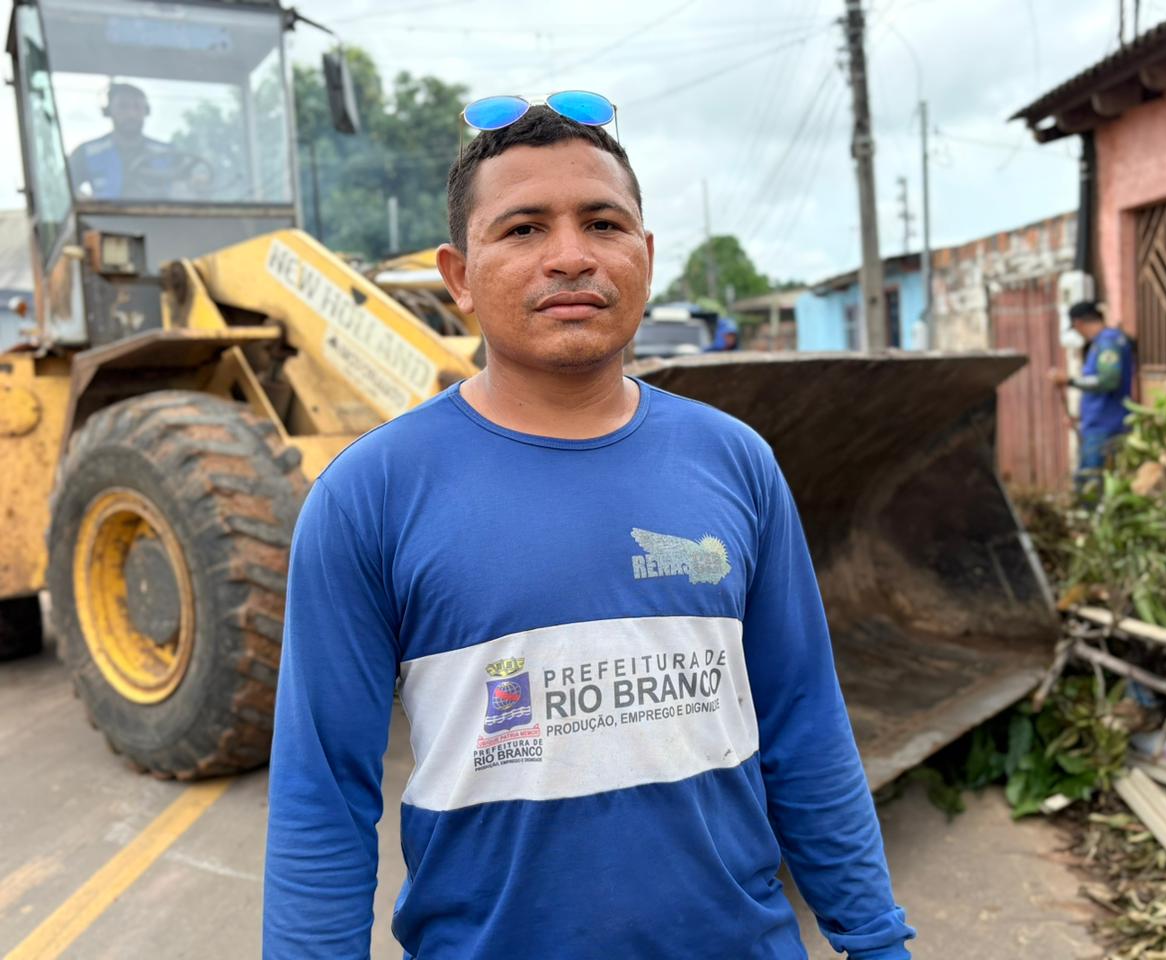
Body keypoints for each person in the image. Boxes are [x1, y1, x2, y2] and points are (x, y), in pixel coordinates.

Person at [264, 100, 914, 960]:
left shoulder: (738, 464)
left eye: (601, 223)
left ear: (643, 257)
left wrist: (876, 941)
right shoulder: (369, 495)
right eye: (524, 228)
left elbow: (806, 728)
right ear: (458, 275)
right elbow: (323, 794)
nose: (569, 257)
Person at [1048, 300, 1134, 492]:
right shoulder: (1102, 343)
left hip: (1106, 427)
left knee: (1090, 486)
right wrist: (1080, 417)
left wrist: (1070, 381)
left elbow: (1109, 381)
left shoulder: (1108, 343)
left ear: (1078, 324)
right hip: (1099, 423)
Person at [67, 83, 185, 200]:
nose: (131, 114)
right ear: (108, 111)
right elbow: (62, 189)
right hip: (101, 218)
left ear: (146, 111)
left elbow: (190, 185)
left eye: (137, 107)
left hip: (163, 218)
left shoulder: (169, 153)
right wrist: (87, 202)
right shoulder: (87, 153)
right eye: (123, 106)